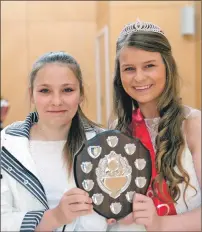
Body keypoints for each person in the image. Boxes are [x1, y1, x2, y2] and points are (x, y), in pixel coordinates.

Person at [107, 19, 201, 231]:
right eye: (129, 69)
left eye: (149, 66)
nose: (139, 77)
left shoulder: (194, 125)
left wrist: (160, 223)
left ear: (167, 67)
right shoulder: (116, 129)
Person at [1, 51, 107, 231]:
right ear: (32, 95)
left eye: (67, 90)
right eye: (45, 91)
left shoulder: (105, 145)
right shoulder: (7, 146)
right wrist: (56, 216)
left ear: (81, 94)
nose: (57, 101)